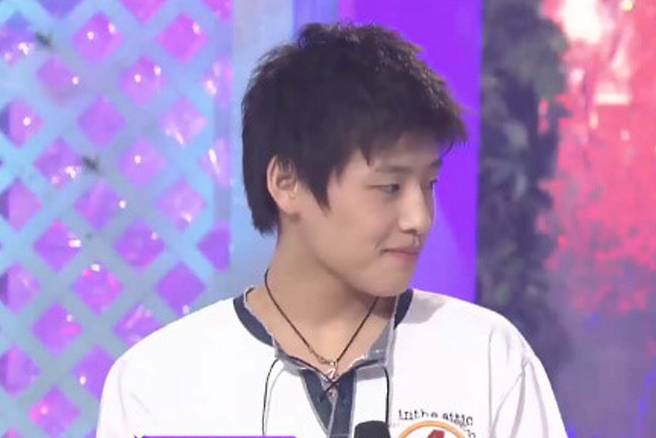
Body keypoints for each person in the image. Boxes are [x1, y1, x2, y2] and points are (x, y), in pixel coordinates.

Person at [97, 23, 567, 438]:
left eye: (428, 185)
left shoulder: (487, 357)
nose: (419, 218)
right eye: (389, 187)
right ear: (287, 183)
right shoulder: (159, 382)